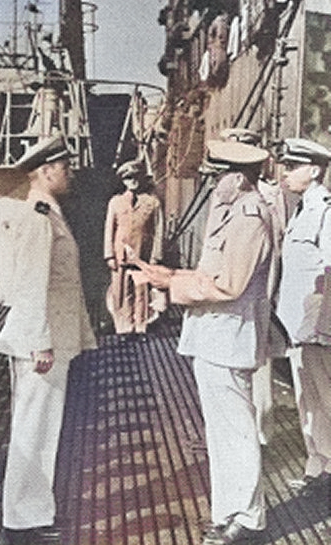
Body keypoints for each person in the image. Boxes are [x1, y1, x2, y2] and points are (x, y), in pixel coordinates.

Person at [141, 140, 274, 545]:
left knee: (236, 432)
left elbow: (229, 284)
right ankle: (229, 512)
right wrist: (173, 273)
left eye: (218, 176)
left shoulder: (250, 217)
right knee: (221, 433)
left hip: (230, 337)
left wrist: (171, 282)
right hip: (214, 338)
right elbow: (211, 272)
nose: (213, 183)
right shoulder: (231, 212)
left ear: (237, 177)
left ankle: (249, 520)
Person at [0, 136, 97, 545]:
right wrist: (40, 341)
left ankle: (32, 512)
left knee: (42, 429)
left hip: (52, 336)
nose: (69, 174)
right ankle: (20, 520)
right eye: (65, 167)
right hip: (41, 341)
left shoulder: (49, 212)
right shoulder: (38, 216)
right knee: (32, 430)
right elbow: (31, 285)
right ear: (47, 171)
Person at [219, 127, 288, 446]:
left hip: (255, 295)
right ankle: (236, 435)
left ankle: (261, 436)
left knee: (259, 370)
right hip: (225, 297)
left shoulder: (270, 196)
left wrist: (269, 296)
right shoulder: (224, 193)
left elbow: (274, 248)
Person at [275, 137, 331, 497]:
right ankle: (318, 465)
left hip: (316, 326)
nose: (284, 172)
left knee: (326, 397)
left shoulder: (325, 210)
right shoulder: (300, 209)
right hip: (296, 324)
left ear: (313, 170)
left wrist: (323, 326)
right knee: (306, 399)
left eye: (292, 166)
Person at [103, 157, 164, 334]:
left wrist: (155, 256)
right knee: (121, 293)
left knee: (141, 292)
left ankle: (140, 327)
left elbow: (159, 231)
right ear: (123, 180)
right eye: (128, 178)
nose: (133, 181)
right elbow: (109, 230)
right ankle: (123, 327)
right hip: (120, 255)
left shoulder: (152, 203)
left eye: (136, 177)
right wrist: (109, 255)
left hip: (142, 256)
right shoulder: (115, 202)